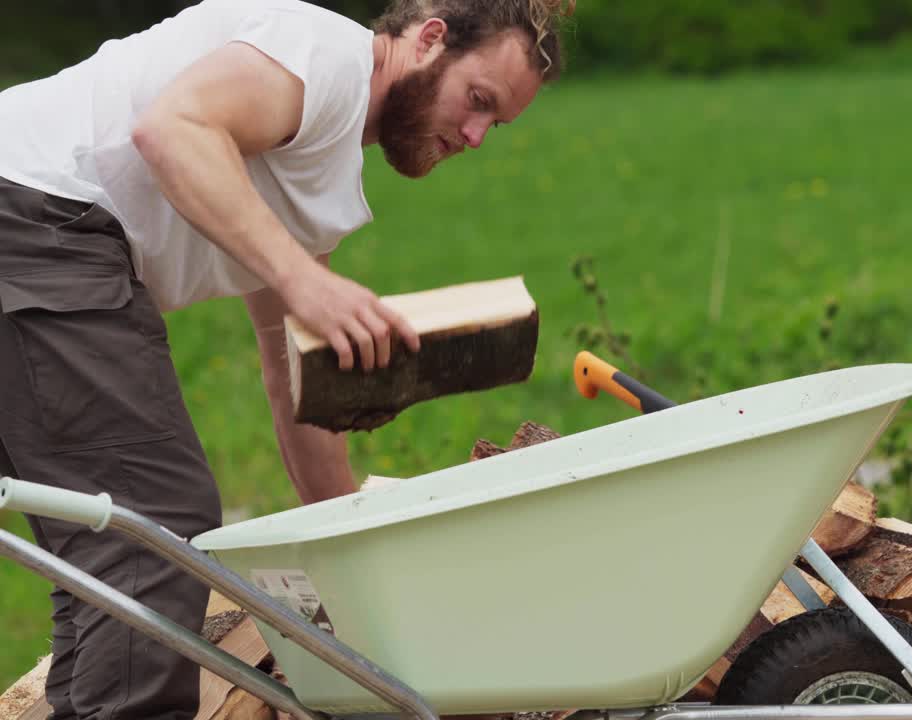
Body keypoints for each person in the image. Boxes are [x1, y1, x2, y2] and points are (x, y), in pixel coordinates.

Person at [0, 0, 571, 717]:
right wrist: (306, 281)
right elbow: (170, 129)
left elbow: (290, 376)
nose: (477, 135)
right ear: (429, 42)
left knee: (104, 536)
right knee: (153, 523)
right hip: (33, 214)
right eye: (478, 101)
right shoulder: (324, 57)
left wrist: (347, 549)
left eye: (498, 123)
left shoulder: (323, 180)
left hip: (37, 231)